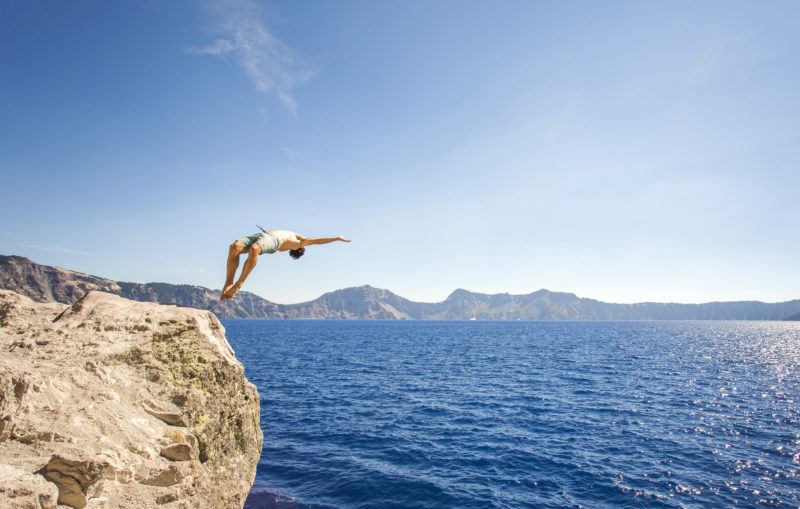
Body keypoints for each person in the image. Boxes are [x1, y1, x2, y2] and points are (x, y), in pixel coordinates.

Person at [221, 229, 351, 301]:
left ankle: (238, 284)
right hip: (263, 234)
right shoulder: (296, 235)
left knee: (254, 249)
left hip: (273, 240)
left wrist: (336, 238)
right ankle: (228, 283)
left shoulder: (298, 243)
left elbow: (317, 241)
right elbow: (309, 237)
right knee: (235, 247)